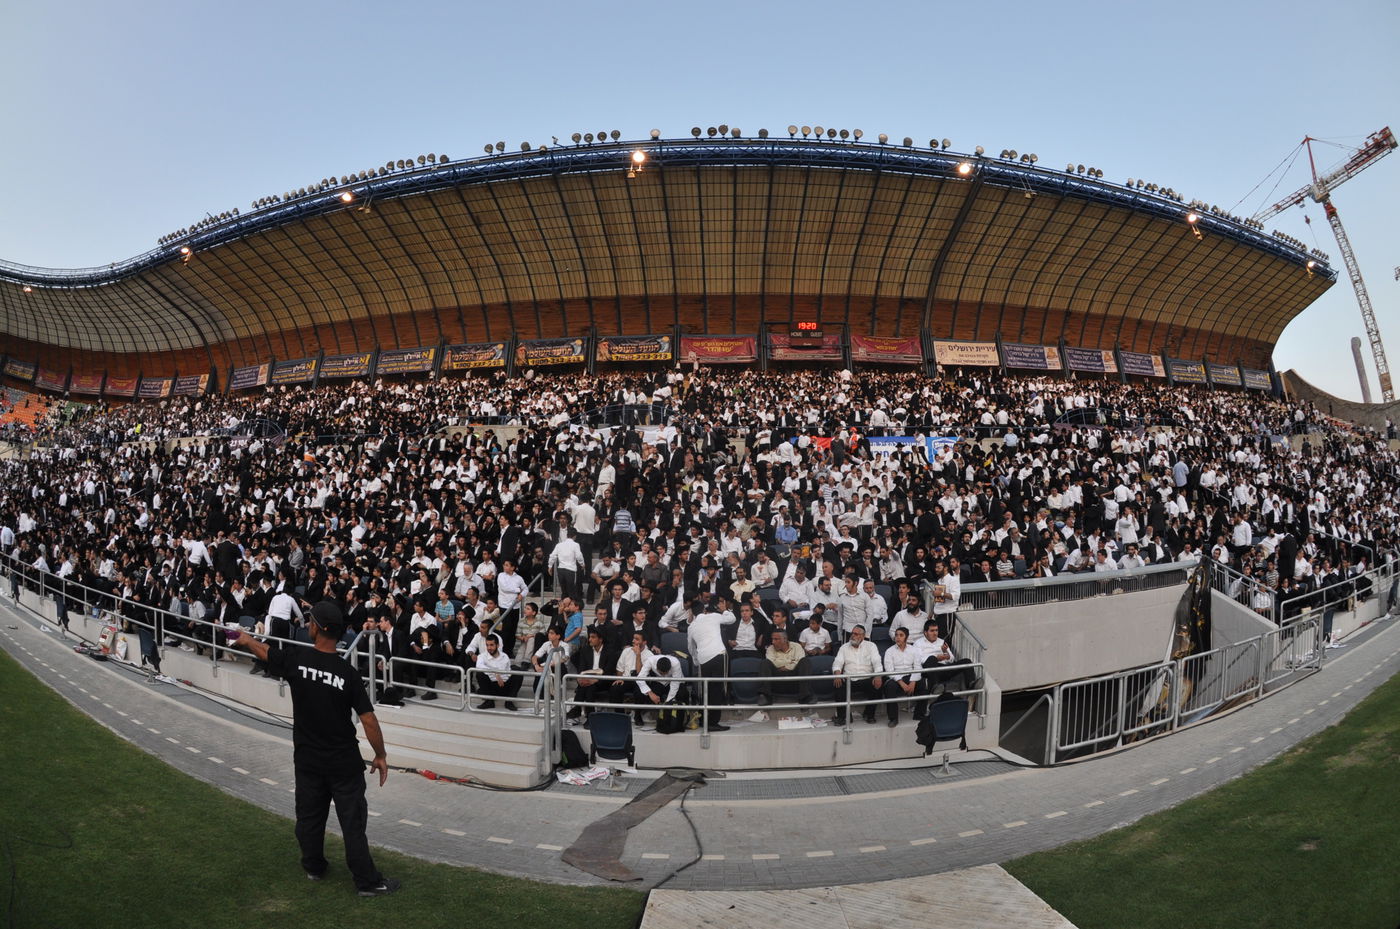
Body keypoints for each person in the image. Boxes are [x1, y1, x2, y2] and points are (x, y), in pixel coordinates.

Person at [233, 601, 399, 897]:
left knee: (309, 818)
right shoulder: (347, 674)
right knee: (352, 823)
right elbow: (369, 720)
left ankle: (313, 867)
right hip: (343, 764)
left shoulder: (297, 660)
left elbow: (266, 653)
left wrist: (245, 639)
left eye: (310, 621)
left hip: (308, 760)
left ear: (318, 628)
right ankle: (367, 882)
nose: (307, 624)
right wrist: (381, 755)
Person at [831, 624, 883, 725]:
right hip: (849, 679)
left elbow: (877, 662)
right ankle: (844, 717)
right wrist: (837, 674)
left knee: (878, 684)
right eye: (852, 633)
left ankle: (869, 714)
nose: (852, 636)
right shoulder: (844, 647)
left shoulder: (871, 646)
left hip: (866, 678)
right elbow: (837, 662)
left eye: (856, 634)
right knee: (838, 684)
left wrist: (878, 676)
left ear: (862, 636)